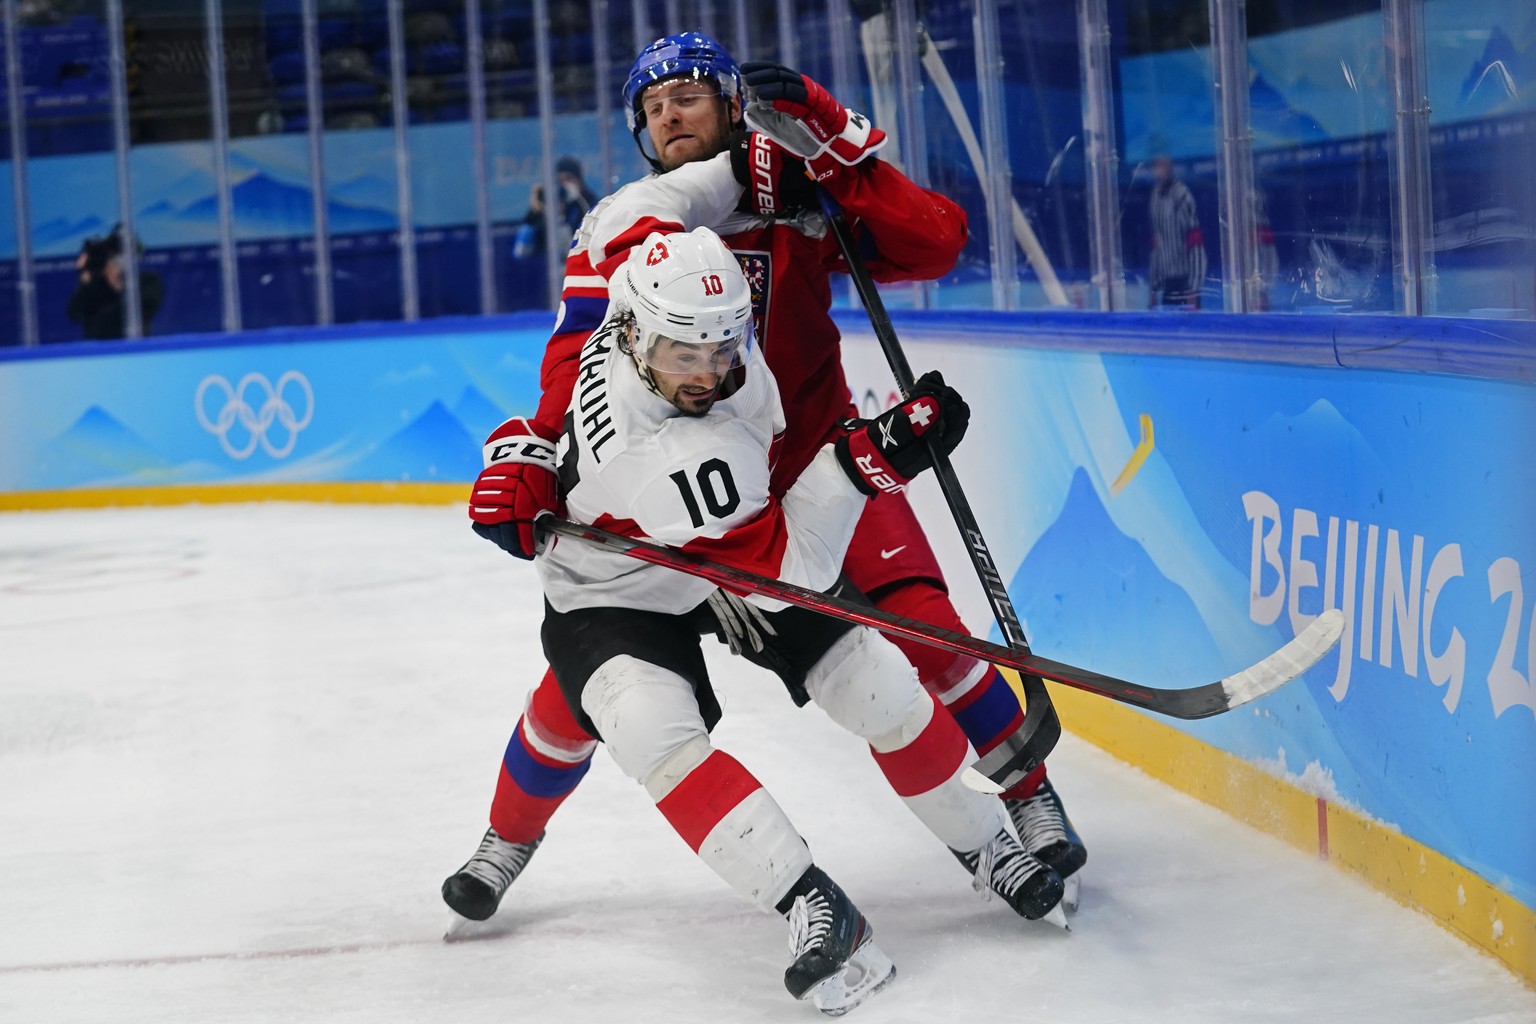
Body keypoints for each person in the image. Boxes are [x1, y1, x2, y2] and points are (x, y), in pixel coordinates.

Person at [445, 30, 1086, 931]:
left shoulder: (799, 198)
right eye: (653, 106)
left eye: (688, 97)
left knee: (926, 633)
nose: (669, 114)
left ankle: (1025, 795)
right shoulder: (626, 227)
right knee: (583, 690)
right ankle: (506, 840)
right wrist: (540, 456)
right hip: (678, 515)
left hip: (819, 472)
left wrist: (834, 150)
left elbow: (938, 243)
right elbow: (572, 363)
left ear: (733, 106)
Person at [511, 225, 1049, 1010]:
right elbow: (790, 575)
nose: (704, 373)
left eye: (720, 349)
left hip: (729, 538)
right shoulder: (661, 456)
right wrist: (870, 461)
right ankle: (812, 904)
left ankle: (987, 844)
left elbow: (574, 351)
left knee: (876, 685)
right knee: (650, 730)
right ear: (634, 336)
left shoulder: (645, 307)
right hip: (617, 583)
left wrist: (512, 448)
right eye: (680, 356)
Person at [66, 225, 164, 340]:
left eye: (128, 252)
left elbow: (144, 307)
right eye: (116, 252)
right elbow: (74, 313)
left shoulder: (147, 281)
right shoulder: (94, 284)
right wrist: (86, 280)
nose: (120, 258)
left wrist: (117, 285)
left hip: (136, 347)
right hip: (99, 349)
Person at [1147, 154, 1207, 309]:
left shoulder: (1182, 195)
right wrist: (1153, 288)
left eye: (1164, 165)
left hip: (1186, 280)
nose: (1160, 170)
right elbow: (1157, 246)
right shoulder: (1156, 196)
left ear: (1170, 166)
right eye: (1157, 165)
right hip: (1168, 282)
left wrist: (1193, 289)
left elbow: (1196, 244)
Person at [513, 155, 599, 260]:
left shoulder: (590, 204)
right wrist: (536, 209)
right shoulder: (553, 205)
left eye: (569, 179)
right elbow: (525, 246)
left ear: (579, 180)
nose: (564, 185)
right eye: (560, 181)